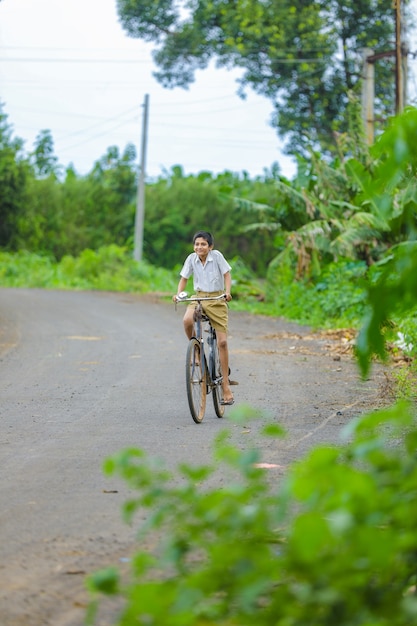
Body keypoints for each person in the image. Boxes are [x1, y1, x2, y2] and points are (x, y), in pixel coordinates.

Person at [173, 230, 234, 405]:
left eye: (203, 244)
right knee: (187, 320)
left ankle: (225, 386)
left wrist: (227, 292)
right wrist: (179, 294)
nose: (199, 247)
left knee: (222, 342)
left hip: (217, 299)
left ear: (210, 246)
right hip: (199, 297)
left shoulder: (217, 257)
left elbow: (227, 274)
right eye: (197, 244)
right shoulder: (191, 258)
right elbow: (184, 278)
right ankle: (197, 350)